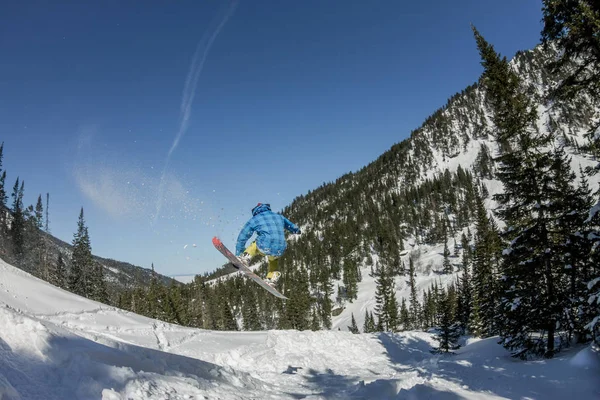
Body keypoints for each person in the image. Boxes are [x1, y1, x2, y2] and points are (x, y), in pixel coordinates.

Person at [236, 203, 301, 285]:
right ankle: (272, 277)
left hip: (265, 245)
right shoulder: (279, 216)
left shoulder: (255, 219)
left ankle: (245, 257)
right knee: (273, 259)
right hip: (281, 247)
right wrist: (297, 230)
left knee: (255, 244)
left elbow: (243, 236)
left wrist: (239, 253)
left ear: (255, 211)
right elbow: (291, 226)